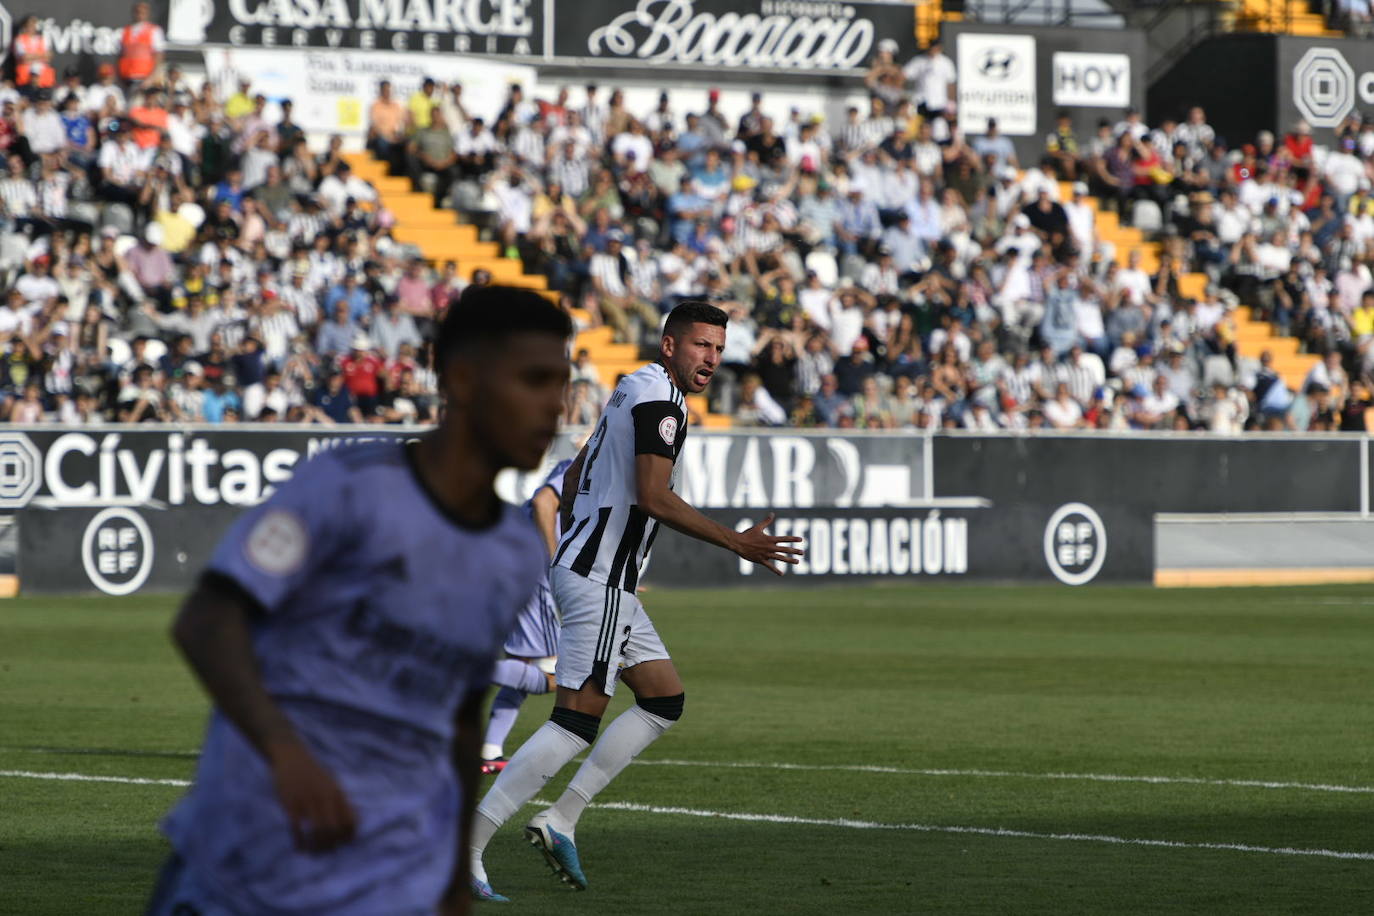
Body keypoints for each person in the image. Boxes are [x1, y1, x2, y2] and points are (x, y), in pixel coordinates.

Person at [147, 286, 573, 916]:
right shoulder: (344, 486)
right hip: (244, 864)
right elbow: (208, 620)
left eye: (561, 384)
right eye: (533, 381)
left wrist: (452, 876)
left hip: (384, 879)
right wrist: (285, 752)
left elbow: (459, 712)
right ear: (460, 377)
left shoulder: (511, 550)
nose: (554, 407)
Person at [468, 301, 804, 901]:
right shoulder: (661, 402)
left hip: (602, 575)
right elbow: (653, 496)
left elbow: (573, 480)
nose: (711, 359)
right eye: (701, 345)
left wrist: (587, 538)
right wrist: (737, 543)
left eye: (719, 349)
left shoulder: (632, 387)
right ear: (670, 345)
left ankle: (560, 818)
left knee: (663, 698)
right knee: (574, 722)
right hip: (600, 578)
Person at [479, 458, 574, 773]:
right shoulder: (582, 465)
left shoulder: (585, 466)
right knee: (562, 675)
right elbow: (543, 501)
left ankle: (489, 751)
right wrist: (555, 559)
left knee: (522, 666)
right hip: (526, 569)